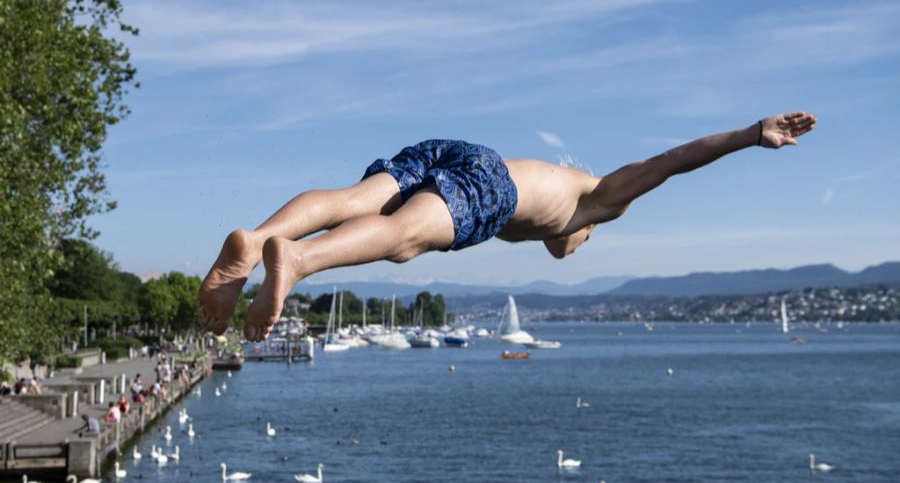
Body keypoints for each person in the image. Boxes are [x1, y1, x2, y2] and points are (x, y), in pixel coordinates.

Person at [196, 112, 816, 341]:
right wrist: (747, 137)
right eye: (581, 243)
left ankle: (254, 241)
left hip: (453, 148)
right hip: (490, 184)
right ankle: (297, 261)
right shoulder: (598, 199)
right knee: (405, 241)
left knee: (357, 200)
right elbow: (669, 163)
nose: (570, 249)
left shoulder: (553, 175)